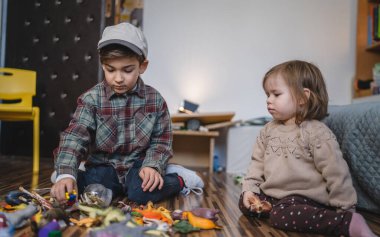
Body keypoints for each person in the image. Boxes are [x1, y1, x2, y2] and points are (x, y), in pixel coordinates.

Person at [50, 22, 204, 205]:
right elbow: (75, 135)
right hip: (105, 166)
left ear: (142, 66)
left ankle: (179, 178)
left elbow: (161, 141)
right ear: (102, 65)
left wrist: (152, 165)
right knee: (81, 186)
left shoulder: (155, 100)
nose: (118, 78)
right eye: (110, 69)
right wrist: (66, 174)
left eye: (127, 70)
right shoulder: (91, 99)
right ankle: (70, 172)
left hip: (139, 165)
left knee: (140, 193)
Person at [239, 60, 377, 237]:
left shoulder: (316, 132)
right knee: (244, 202)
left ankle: (348, 223)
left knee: (280, 216)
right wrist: (249, 190)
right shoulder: (268, 130)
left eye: (276, 94)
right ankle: (273, 208)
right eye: (267, 95)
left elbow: (335, 171)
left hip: (305, 198)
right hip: (275, 195)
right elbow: (257, 163)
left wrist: (346, 207)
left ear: (302, 98)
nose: (269, 100)